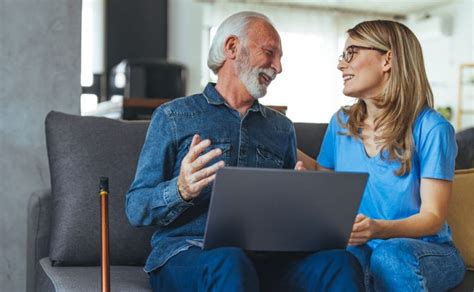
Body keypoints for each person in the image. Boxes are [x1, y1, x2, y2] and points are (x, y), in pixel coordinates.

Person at [125, 11, 363, 292]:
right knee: (230, 262)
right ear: (232, 48)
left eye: (280, 57)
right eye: (269, 52)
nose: (278, 67)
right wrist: (181, 189)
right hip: (188, 253)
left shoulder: (281, 129)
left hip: (265, 260)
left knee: (341, 263)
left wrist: (301, 203)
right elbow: (135, 207)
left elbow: (288, 220)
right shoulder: (173, 116)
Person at [297, 20, 465, 291]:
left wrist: (379, 229)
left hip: (426, 251)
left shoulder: (432, 128)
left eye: (351, 53)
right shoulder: (341, 122)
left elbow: (433, 216)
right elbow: (325, 178)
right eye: (343, 56)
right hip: (364, 246)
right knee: (337, 258)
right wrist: (278, 141)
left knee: (389, 256)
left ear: (387, 59)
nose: (341, 65)